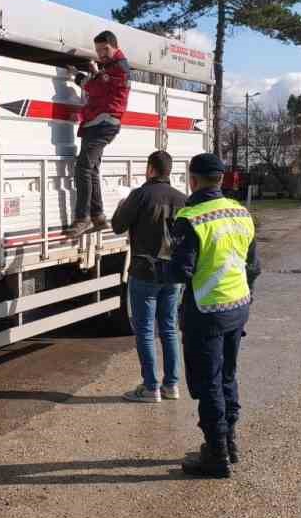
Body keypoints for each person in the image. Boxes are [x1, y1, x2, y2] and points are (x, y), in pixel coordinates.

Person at [164, 152, 260, 478]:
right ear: (221, 179)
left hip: (205, 311)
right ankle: (230, 442)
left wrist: (162, 261)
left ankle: (216, 454)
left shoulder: (190, 217)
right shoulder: (241, 212)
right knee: (228, 376)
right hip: (238, 305)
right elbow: (253, 266)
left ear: (193, 179)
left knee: (208, 383)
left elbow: (181, 271)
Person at [111, 150, 188, 402]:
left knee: (145, 330)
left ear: (151, 169)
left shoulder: (140, 195)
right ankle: (172, 385)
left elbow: (117, 225)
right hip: (173, 274)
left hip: (144, 272)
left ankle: (150, 387)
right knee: (169, 329)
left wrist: (123, 204)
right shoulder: (182, 199)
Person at [64, 30, 130, 237]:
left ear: (115, 46)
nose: (101, 53)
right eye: (98, 50)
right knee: (91, 169)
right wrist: (96, 72)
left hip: (104, 123)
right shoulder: (112, 67)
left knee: (83, 168)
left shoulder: (119, 67)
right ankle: (98, 217)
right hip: (96, 122)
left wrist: (78, 76)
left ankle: (82, 218)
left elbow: (96, 88)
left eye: (105, 49)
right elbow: (103, 84)